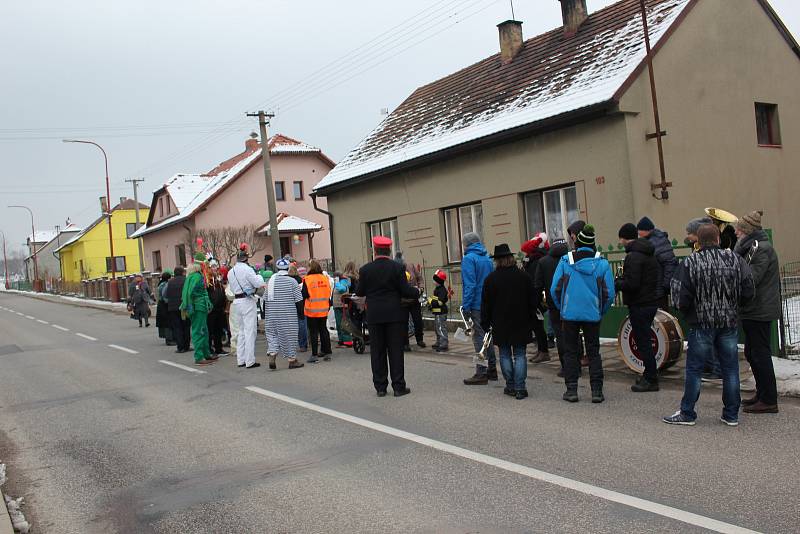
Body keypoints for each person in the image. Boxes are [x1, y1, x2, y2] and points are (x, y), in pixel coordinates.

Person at [663, 224, 754, 427]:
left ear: (698, 241)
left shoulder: (691, 262)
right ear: (718, 239)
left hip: (701, 322)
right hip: (728, 321)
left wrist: (689, 312)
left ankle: (687, 413)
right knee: (730, 368)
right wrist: (735, 305)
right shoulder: (735, 259)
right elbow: (749, 289)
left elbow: (678, 295)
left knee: (694, 369)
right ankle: (731, 414)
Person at [551, 224, 615, 403]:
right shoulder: (602, 264)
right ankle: (596, 391)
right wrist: (600, 311)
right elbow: (609, 293)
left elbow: (554, 289)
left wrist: (562, 307)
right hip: (593, 314)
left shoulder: (565, 261)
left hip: (569, 314)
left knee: (570, 352)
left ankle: (571, 390)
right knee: (594, 352)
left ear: (577, 242)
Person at [357, 236, 419, 397]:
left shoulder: (365, 269)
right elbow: (405, 290)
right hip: (395, 315)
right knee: (395, 351)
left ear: (374, 250)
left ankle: (380, 387)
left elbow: (359, 292)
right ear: (389, 250)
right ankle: (398, 386)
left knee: (377, 351)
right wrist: (416, 291)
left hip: (375, 315)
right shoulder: (397, 268)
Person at [734, 210, 781, 414]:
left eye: (739, 228)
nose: (736, 232)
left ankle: (769, 399)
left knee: (760, 354)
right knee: (752, 353)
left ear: (747, 230)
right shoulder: (751, 247)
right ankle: (762, 393)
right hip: (753, 308)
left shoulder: (760, 249)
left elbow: (752, 277)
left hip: (759, 309)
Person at [482, 244, 538, 400]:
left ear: (497, 261)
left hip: (500, 322)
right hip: (521, 321)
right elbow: (533, 300)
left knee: (505, 354)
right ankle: (520, 388)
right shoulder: (524, 276)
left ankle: (510, 385)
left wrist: (485, 323)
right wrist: (532, 318)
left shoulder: (490, 280)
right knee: (520, 354)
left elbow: (486, 304)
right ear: (511, 258)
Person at [616, 223, 662, 392]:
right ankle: (649, 374)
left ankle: (650, 378)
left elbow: (632, 283)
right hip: (650, 301)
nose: (620, 242)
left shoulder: (633, 256)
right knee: (645, 340)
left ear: (623, 238)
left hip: (639, 304)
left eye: (620, 239)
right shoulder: (648, 252)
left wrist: (618, 283)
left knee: (643, 342)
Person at [685, 217, 722, 381]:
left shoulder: (706, 256)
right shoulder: (696, 250)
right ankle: (710, 366)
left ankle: (718, 369)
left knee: (715, 341)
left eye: (690, 234)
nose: (688, 237)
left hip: (711, 304)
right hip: (708, 304)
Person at [461, 232, 497, 385]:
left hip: (476, 303)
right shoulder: (487, 258)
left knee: (478, 338)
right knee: (488, 336)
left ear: (467, 244)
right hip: (489, 302)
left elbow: (470, 285)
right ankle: (492, 370)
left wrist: (466, 305)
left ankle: (481, 372)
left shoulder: (468, 259)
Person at [534, 238, 570, 377]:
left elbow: (538, 285)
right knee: (573, 334)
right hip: (571, 302)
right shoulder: (570, 259)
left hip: (553, 303)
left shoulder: (543, 262)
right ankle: (576, 365)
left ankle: (565, 367)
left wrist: (537, 304)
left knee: (560, 335)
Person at [228, 246, 266, 369]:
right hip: (247, 301)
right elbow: (258, 283)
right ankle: (250, 360)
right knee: (250, 331)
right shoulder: (247, 269)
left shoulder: (230, 272)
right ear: (246, 259)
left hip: (236, 301)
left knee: (241, 331)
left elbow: (232, 289)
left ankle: (241, 359)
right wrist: (259, 276)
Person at [265, 257, 305, 369]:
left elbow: (265, 299)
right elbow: (299, 300)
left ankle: (272, 354)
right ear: (288, 268)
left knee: (273, 335)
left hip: (272, 314)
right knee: (290, 336)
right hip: (287, 314)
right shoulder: (292, 281)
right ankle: (292, 360)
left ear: (277, 268)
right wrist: (301, 315)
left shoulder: (270, 281)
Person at [181, 253, 217, 365]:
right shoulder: (196, 277)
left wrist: (208, 303)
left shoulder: (195, 276)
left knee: (204, 331)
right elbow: (189, 294)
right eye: (205, 264)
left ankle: (206, 354)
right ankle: (199, 357)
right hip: (198, 308)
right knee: (199, 331)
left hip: (201, 307)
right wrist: (190, 307)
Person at [521, 234, 550, 363]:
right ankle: (541, 350)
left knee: (537, 324)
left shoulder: (538, 259)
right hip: (532, 295)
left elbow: (536, 280)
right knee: (536, 325)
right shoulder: (533, 259)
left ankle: (544, 351)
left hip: (536, 296)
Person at [637, 217, 677, 309]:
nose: (638, 233)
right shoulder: (652, 240)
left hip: (658, 290)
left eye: (639, 230)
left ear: (646, 230)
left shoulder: (658, 242)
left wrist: (666, 285)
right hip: (653, 290)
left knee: (660, 318)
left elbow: (669, 263)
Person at [303, 260, 333, 362]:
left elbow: (304, 294)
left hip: (312, 310)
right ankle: (327, 351)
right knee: (323, 329)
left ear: (310, 268)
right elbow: (329, 292)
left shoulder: (307, 279)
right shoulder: (325, 278)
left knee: (313, 332)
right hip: (324, 308)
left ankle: (314, 355)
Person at [395, 251, 426, 350]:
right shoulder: (395, 270)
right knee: (403, 323)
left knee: (418, 320)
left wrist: (420, 288)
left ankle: (419, 339)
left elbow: (419, 278)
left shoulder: (411, 266)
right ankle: (405, 343)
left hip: (413, 299)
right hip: (402, 301)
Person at [165, 266, 190, 353]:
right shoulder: (186, 280)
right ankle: (187, 346)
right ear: (183, 272)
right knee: (186, 326)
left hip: (173, 308)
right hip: (184, 306)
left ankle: (180, 347)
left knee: (177, 327)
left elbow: (165, 294)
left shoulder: (170, 282)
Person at [206, 260, 228, 356]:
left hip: (220, 309)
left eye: (216, 267)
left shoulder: (218, 279)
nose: (215, 269)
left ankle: (219, 348)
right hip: (211, 310)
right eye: (212, 267)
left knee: (219, 330)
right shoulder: (207, 280)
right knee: (211, 330)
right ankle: (209, 349)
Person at [289, 264, 309, 353]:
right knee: (302, 325)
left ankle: (293, 344)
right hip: (301, 304)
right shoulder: (301, 280)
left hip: (291, 305)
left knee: (292, 326)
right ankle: (303, 345)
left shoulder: (288, 281)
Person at [429, 269, 449, 353]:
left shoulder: (442, 290)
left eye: (434, 280)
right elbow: (436, 300)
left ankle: (444, 344)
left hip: (441, 313)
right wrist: (431, 305)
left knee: (441, 328)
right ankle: (439, 342)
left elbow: (440, 302)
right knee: (437, 328)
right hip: (437, 312)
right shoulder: (437, 289)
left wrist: (431, 301)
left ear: (438, 281)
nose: (433, 281)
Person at [156, 271, 175, 346]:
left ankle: (169, 338)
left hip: (161, 305)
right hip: (164, 305)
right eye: (170, 277)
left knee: (166, 322)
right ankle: (169, 339)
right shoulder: (164, 284)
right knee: (167, 322)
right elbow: (164, 296)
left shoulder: (161, 283)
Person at [332, 271, 351, 347]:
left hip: (341, 306)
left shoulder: (342, 283)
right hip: (338, 306)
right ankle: (341, 340)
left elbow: (342, 289)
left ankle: (347, 341)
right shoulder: (342, 282)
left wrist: (336, 282)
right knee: (339, 324)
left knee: (342, 324)